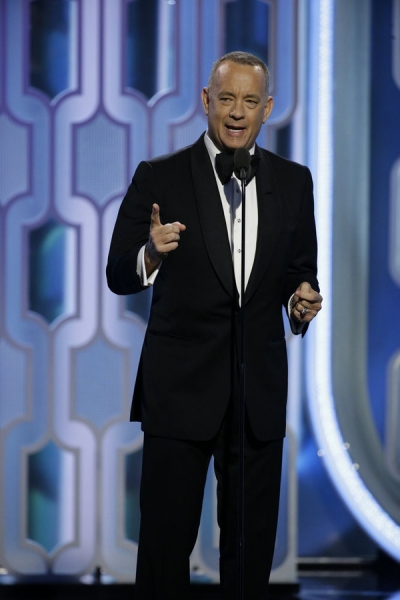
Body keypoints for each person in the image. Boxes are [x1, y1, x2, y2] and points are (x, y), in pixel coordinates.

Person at [107, 51, 322, 599]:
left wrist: (300, 302)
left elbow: (300, 271)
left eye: (250, 101)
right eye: (226, 98)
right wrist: (150, 255)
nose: (236, 112)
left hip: (256, 399)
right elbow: (117, 273)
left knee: (249, 558)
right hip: (180, 394)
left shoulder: (295, 183)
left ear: (267, 109)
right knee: (163, 549)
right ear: (206, 102)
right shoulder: (160, 176)